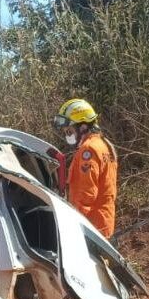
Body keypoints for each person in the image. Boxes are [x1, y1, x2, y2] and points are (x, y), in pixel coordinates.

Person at [53, 98, 118, 239]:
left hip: (91, 227)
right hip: (102, 223)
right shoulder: (102, 145)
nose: (67, 135)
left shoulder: (88, 150)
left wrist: (75, 225)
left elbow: (86, 194)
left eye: (69, 130)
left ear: (82, 127)